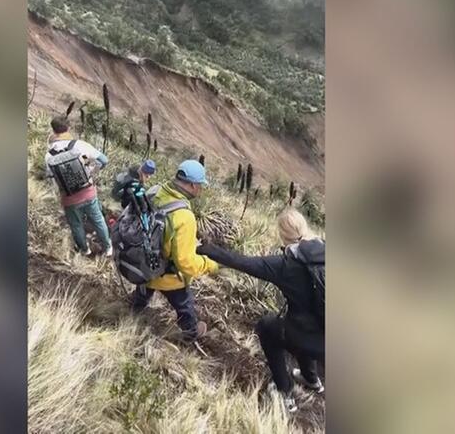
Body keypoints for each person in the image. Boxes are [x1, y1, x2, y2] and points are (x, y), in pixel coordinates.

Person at [197, 208, 325, 413]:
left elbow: (244, 263)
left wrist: (206, 249)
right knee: (308, 325)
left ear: (283, 235)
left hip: (307, 337)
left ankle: (284, 391)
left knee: (269, 327)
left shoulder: (285, 265)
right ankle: (311, 379)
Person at [132, 159, 220, 342]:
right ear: (192, 185)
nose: (200, 190)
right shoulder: (184, 217)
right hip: (168, 276)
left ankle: (133, 313)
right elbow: (185, 263)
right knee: (183, 305)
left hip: (142, 264)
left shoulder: (155, 191)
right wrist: (209, 265)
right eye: (200, 186)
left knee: (142, 293)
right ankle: (191, 332)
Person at [44, 115, 112, 257]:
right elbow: (104, 160)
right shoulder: (80, 145)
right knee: (98, 219)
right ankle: (107, 248)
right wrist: (92, 171)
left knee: (76, 225)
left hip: (68, 198)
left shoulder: (49, 155)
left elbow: (51, 178)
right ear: (68, 128)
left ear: (54, 131)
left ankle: (85, 250)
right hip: (87, 191)